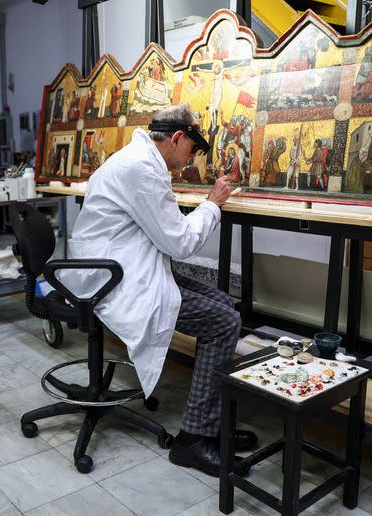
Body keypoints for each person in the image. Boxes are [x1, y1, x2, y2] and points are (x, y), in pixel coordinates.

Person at [62, 104, 257, 477]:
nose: (191, 159)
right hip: (113, 281)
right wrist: (213, 203)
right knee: (223, 322)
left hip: (124, 267)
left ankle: (211, 423)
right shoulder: (142, 170)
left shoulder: (139, 159)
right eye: (192, 150)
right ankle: (193, 441)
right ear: (177, 138)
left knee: (223, 304)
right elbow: (180, 242)